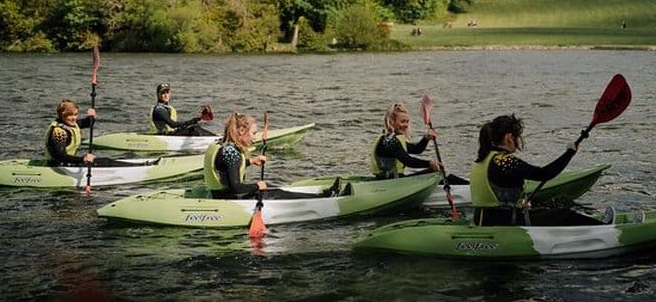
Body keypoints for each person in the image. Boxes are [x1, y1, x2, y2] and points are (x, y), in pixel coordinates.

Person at [470, 114, 605, 227]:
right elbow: (544, 174)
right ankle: (603, 227)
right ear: (509, 138)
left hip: (483, 219)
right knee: (562, 214)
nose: (518, 142)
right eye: (517, 138)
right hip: (503, 222)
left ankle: (592, 222)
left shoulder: (483, 159)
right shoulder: (504, 161)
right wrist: (569, 153)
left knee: (547, 205)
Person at [204, 112, 341, 199]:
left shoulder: (224, 146)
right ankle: (323, 197)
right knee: (274, 193)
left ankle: (318, 196)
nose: (254, 138)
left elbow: (226, 167)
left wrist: (251, 161)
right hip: (228, 198)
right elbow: (236, 187)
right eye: (253, 133)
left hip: (220, 194)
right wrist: (257, 186)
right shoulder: (232, 153)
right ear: (241, 131)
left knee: (269, 186)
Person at [370, 102, 441, 179]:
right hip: (391, 183)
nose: (406, 125)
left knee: (437, 171)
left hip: (393, 180)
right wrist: (429, 163)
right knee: (437, 172)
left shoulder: (391, 139)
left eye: (407, 122)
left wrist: (426, 138)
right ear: (391, 122)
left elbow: (416, 149)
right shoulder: (390, 142)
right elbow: (408, 161)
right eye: (403, 121)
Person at [149, 83, 214, 136]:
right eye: (163, 93)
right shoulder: (159, 109)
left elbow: (177, 126)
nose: (166, 95)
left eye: (167, 92)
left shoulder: (167, 108)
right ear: (158, 94)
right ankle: (216, 139)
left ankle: (215, 137)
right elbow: (173, 125)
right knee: (194, 129)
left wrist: (196, 120)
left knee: (194, 127)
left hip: (169, 135)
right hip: (162, 136)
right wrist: (191, 121)